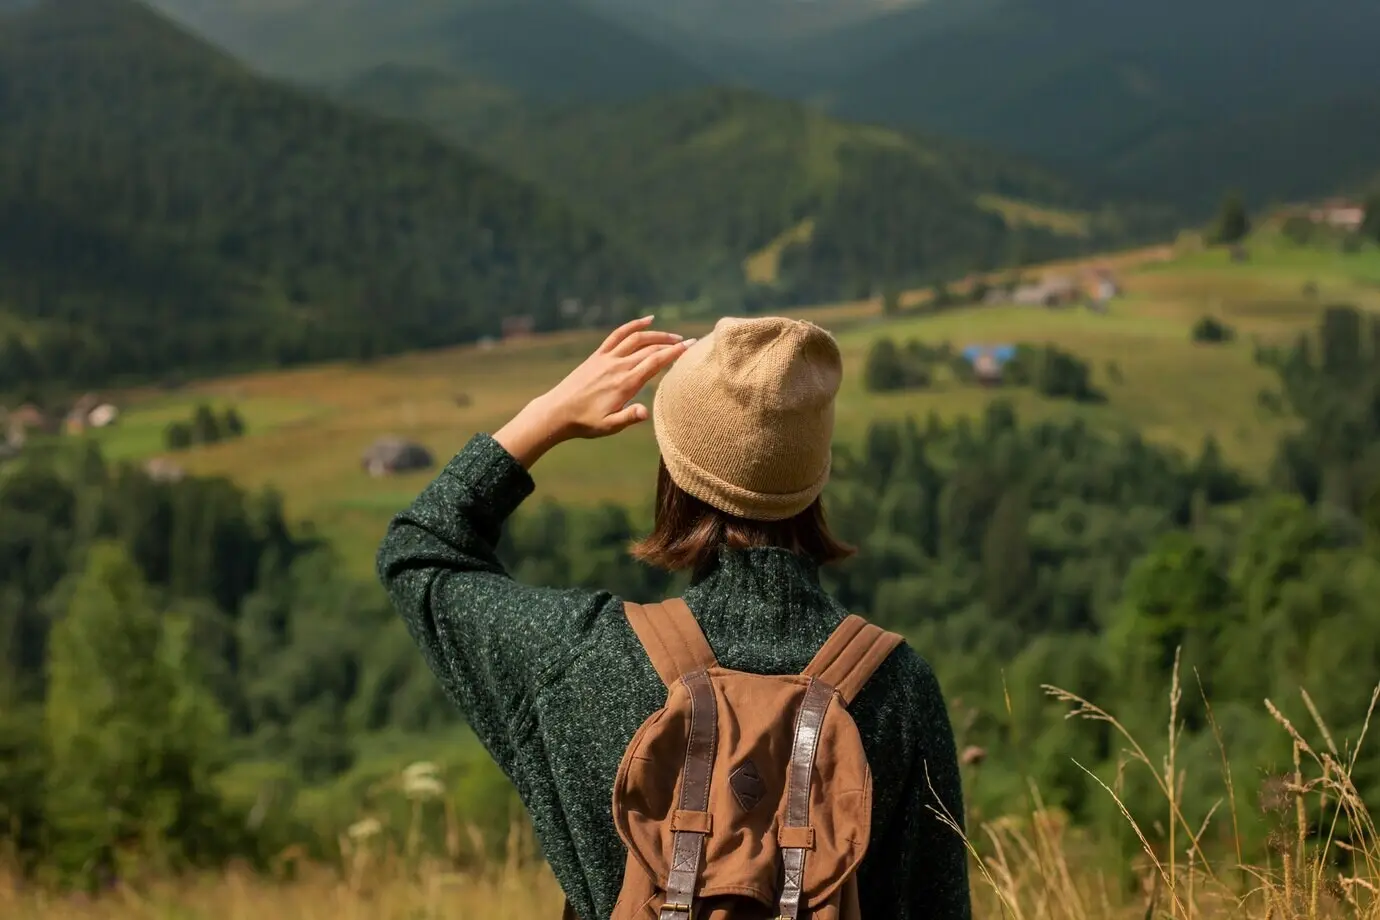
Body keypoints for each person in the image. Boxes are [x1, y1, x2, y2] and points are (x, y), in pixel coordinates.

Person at [377, 314, 971, 919]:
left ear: (674, 471)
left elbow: (418, 550)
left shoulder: (580, 659)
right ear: (814, 477)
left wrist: (547, 415)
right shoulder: (899, 688)